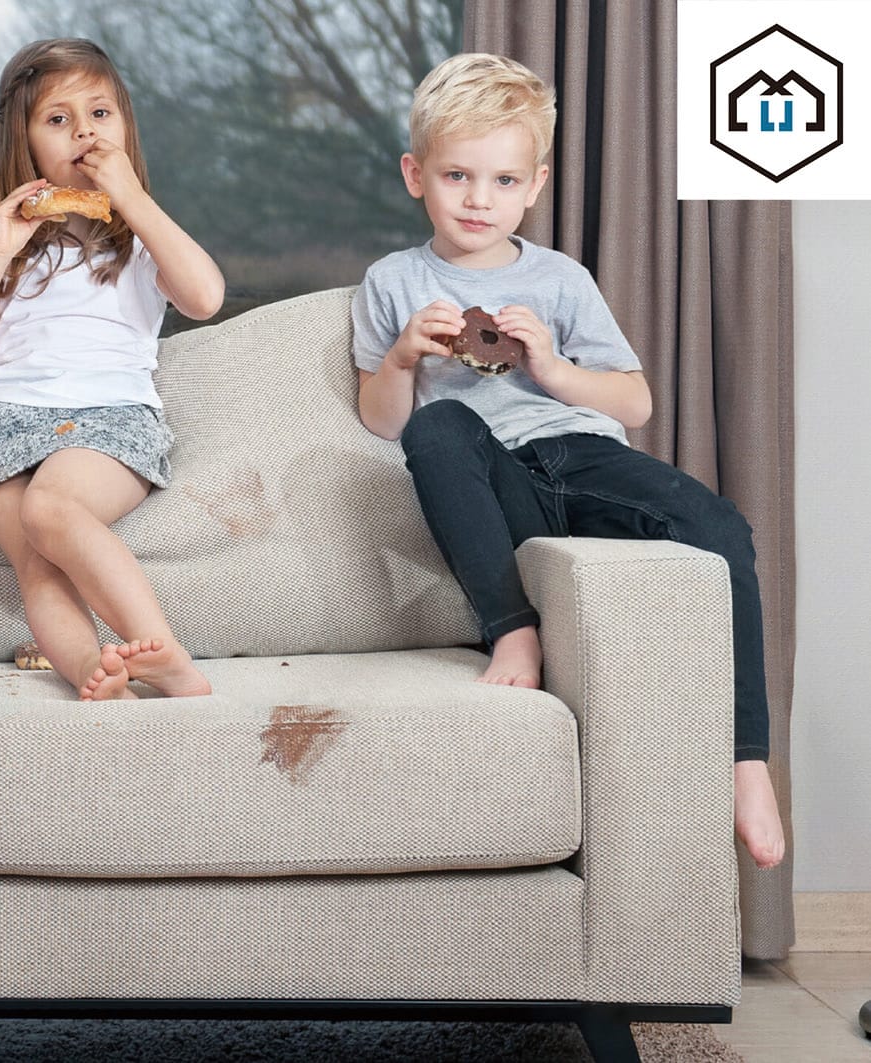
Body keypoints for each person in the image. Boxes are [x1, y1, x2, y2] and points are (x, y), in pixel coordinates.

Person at [352, 53, 784, 867]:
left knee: (720, 524)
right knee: (437, 424)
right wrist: (403, 357)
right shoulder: (393, 282)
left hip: (582, 458)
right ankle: (514, 632)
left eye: (504, 181)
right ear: (415, 175)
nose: (479, 199)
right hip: (496, 482)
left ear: (536, 186)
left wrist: (551, 367)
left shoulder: (561, 279)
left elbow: (635, 403)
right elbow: (382, 423)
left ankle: (745, 759)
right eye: (456, 175)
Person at [0, 37, 227, 702]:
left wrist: (133, 199)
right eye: (58, 119)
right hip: (4, 425)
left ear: (125, 127)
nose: (84, 133)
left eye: (100, 114)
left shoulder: (140, 241)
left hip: (109, 419)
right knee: (36, 566)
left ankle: (167, 655)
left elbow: (205, 297)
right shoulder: (3, 244)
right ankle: (96, 675)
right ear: (25, 142)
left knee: (51, 508)